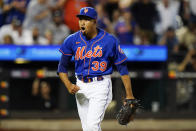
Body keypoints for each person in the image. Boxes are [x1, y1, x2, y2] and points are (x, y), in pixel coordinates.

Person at [57, 7, 136, 131]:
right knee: (87, 128)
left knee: (92, 126)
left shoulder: (109, 40)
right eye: (81, 19)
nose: (82, 22)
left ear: (94, 21)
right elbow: (62, 68)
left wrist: (129, 95)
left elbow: (123, 69)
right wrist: (68, 84)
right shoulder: (71, 40)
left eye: (87, 20)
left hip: (100, 85)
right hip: (80, 86)